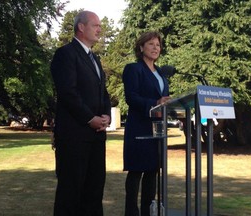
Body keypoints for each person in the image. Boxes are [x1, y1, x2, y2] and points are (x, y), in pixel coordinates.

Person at [50, 10, 111, 216]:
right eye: (95, 25)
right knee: (71, 193)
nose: (99, 29)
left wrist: (106, 115)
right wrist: (89, 118)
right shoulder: (65, 54)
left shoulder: (95, 58)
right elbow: (68, 93)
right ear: (81, 27)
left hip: (96, 138)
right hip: (74, 137)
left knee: (94, 192)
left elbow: (103, 92)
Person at [122, 31, 171, 216]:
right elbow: (131, 97)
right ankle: (131, 213)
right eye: (151, 44)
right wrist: (155, 103)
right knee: (136, 171)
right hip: (139, 127)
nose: (155, 48)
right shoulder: (133, 69)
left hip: (157, 128)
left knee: (152, 171)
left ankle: (148, 211)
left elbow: (163, 98)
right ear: (141, 47)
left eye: (158, 45)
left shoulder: (160, 73)